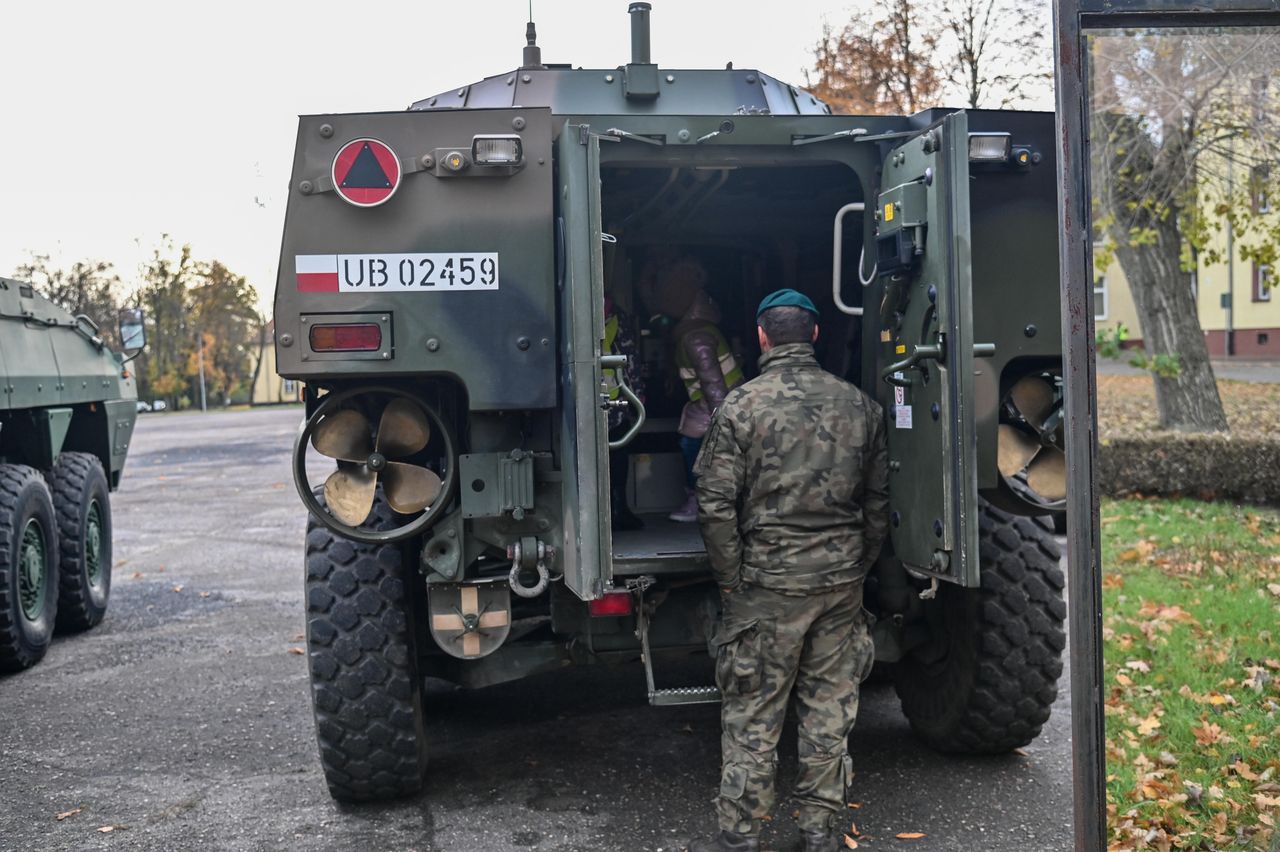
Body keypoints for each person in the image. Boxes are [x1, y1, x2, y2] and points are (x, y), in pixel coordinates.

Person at [690, 289, 890, 852]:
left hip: (768, 585)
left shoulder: (741, 407)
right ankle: (820, 832)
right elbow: (878, 503)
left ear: (761, 335)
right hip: (839, 583)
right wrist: (858, 564)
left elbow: (714, 503)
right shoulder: (860, 405)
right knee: (830, 708)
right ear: (815, 335)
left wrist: (732, 580)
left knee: (754, 710)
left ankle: (741, 835)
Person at [646, 256, 744, 523]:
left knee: (692, 447)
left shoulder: (695, 337)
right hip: (719, 404)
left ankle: (699, 499)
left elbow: (713, 383)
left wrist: (722, 419)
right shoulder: (699, 330)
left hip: (715, 407)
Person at [604, 295, 646, 530]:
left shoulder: (618, 319)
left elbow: (630, 360)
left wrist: (637, 394)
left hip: (613, 404)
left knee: (617, 458)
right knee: (615, 459)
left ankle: (617, 509)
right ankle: (614, 511)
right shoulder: (616, 318)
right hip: (607, 402)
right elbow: (631, 361)